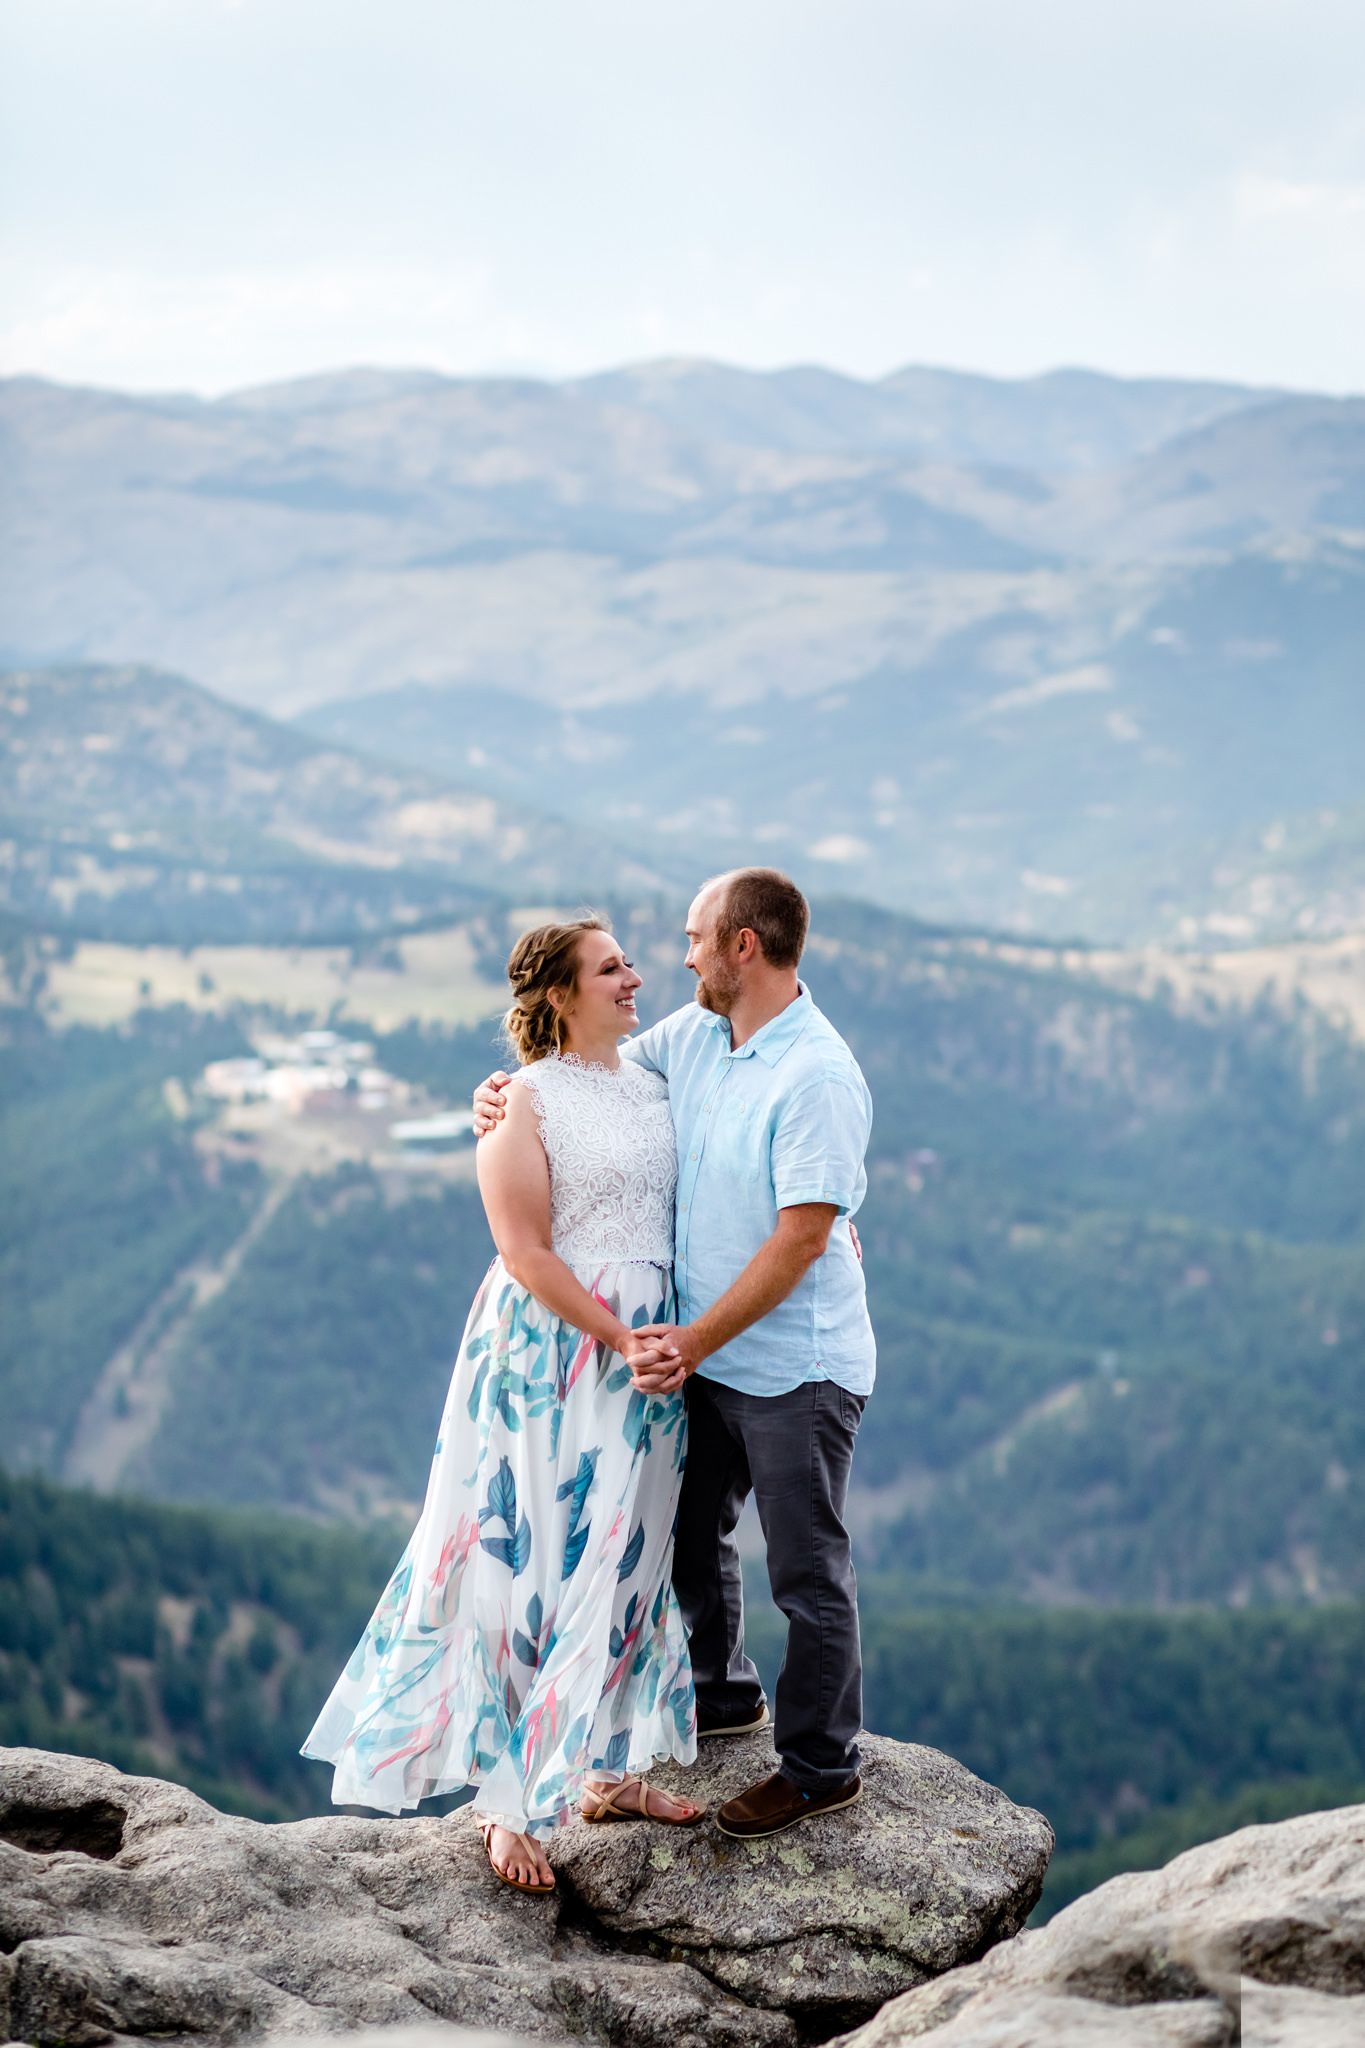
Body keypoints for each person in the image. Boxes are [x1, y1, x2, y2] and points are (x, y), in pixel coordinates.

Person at [304, 918, 701, 1896]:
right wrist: (618, 1336)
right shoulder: (521, 1099)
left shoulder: (655, 1076)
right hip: (553, 1349)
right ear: (561, 993)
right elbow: (524, 1251)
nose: (635, 977)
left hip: (654, 1342)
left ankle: (604, 1768)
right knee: (527, 1553)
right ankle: (505, 1798)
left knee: (634, 1544)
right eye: (612, 968)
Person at [475, 868, 875, 1841]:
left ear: (743, 945)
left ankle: (822, 1765)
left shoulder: (816, 1073)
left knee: (806, 1569)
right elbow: (576, 1070)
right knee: (688, 1537)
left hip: (792, 1366)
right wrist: (498, 1096)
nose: (678, 957)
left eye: (696, 936)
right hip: (701, 1360)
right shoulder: (696, 1036)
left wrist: (690, 1339)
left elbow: (801, 1238)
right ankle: (720, 1690)